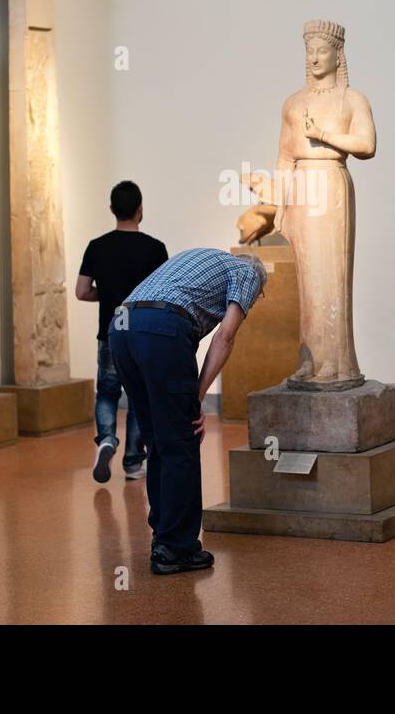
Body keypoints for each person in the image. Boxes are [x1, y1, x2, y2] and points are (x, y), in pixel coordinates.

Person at [108, 248, 266, 575]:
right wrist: (198, 395)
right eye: (258, 298)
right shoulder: (249, 272)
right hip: (161, 328)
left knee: (158, 439)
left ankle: (164, 534)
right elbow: (225, 336)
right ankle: (175, 549)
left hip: (121, 327)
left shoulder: (201, 258)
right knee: (181, 438)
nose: (254, 300)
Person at [75, 181, 168, 483]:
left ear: (112, 210)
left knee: (107, 391)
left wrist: (110, 293)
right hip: (143, 334)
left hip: (110, 333)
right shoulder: (155, 249)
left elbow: (81, 291)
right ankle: (132, 462)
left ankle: (106, 439)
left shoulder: (97, 247)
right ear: (140, 210)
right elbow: (163, 295)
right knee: (139, 395)